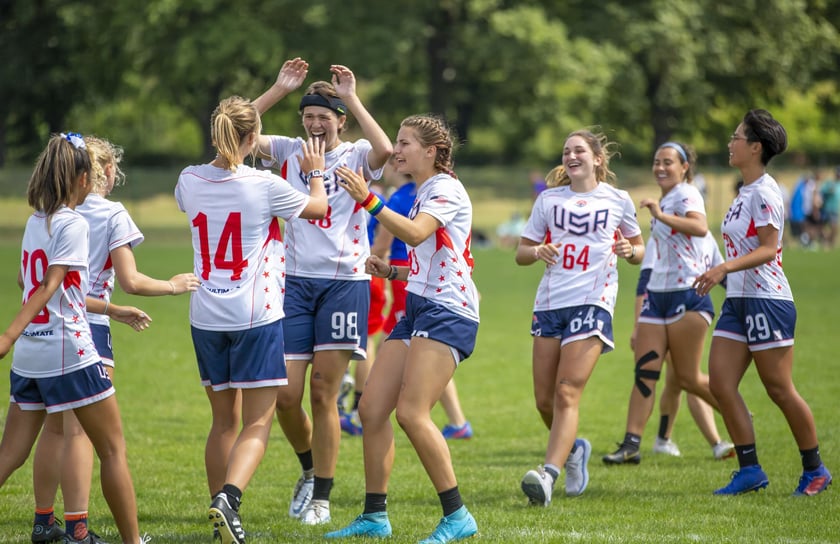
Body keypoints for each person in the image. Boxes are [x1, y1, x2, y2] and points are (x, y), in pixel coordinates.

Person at [30, 136, 199, 544]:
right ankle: (78, 527)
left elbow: (36, 281)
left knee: (54, 429)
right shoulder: (111, 212)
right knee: (82, 433)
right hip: (87, 329)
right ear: (106, 172)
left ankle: (43, 520)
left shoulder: (49, 210)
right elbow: (131, 281)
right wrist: (173, 285)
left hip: (45, 326)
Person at [175, 95, 328, 543]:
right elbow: (318, 208)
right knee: (257, 422)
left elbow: (225, 151)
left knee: (223, 421)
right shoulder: (263, 184)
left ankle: (218, 514)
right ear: (252, 138)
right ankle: (229, 500)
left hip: (205, 315)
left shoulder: (188, 179)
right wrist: (315, 174)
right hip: (255, 315)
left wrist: (261, 103)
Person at [324, 114, 479, 543]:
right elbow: (432, 258)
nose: (396, 149)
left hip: (448, 311)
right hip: (417, 308)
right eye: (397, 141)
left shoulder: (445, 188)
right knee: (372, 409)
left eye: (405, 142)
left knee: (412, 413)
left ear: (431, 151)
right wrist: (391, 272)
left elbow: (414, 234)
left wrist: (368, 200)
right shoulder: (422, 190)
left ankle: (458, 516)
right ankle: (375, 516)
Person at [253, 58, 393, 525]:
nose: (314, 123)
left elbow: (385, 149)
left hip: (344, 284)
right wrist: (278, 89)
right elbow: (235, 133)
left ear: (340, 121)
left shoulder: (355, 154)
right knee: (284, 395)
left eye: (323, 116)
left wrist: (351, 95)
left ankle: (322, 499)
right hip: (292, 283)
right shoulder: (288, 149)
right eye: (308, 115)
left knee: (322, 393)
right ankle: (309, 469)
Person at [0, 133, 147, 544]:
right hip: (69, 351)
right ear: (83, 179)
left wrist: (112, 310)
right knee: (113, 449)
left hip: (31, 354)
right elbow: (50, 286)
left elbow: (32, 283)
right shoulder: (74, 223)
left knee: (9, 454)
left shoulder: (35, 221)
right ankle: (129, 541)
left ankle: (55, 524)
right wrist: (7, 335)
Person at [693, 109, 832, 496]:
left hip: (767, 300)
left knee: (779, 388)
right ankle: (750, 470)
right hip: (738, 301)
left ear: (755, 148)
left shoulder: (766, 192)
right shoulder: (745, 192)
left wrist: (724, 267)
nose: (730, 143)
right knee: (721, 383)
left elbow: (770, 249)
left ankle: (815, 470)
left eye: (736, 137)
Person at [515, 130, 644, 506]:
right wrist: (538, 251)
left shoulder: (618, 199)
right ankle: (573, 451)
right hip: (550, 303)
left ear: (597, 159)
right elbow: (521, 253)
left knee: (566, 391)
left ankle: (548, 477)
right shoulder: (549, 199)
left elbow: (639, 249)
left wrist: (629, 250)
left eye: (579, 150)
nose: (571, 156)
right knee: (544, 401)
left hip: (593, 301)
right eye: (566, 151)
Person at [603, 142, 733, 465]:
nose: (660, 167)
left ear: (685, 167)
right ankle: (631, 445)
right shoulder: (668, 200)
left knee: (687, 378)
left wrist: (661, 215)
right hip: (657, 297)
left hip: (686, 296)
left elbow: (700, 227)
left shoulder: (686, 193)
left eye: (668, 162)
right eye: (656, 162)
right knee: (645, 372)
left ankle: (738, 414)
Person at [643, 233, 734, 460]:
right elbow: (645, 278)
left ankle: (663, 440)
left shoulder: (705, 236)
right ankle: (727, 426)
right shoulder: (663, 234)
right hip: (661, 314)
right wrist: (639, 322)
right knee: (688, 378)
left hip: (691, 309)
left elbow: (723, 275)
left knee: (678, 379)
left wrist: (743, 301)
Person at [818, 167, 839, 249]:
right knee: (822, 227)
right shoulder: (830, 183)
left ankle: (830, 243)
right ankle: (825, 242)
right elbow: (822, 191)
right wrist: (829, 190)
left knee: (834, 228)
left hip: (835, 210)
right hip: (826, 209)